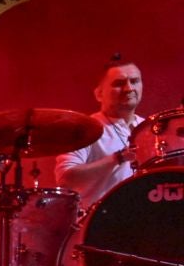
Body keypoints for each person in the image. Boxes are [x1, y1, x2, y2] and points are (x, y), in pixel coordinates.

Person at [56, 60, 144, 208]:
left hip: (143, 219)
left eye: (135, 81)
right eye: (119, 83)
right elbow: (66, 179)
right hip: (98, 222)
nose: (129, 88)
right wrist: (117, 158)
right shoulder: (84, 129)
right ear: (99, 94)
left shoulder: (149, 128)